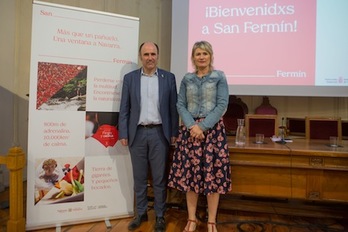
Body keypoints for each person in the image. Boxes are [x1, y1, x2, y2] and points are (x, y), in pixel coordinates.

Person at [167, 41, 231, 232]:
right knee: (191, 177)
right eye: (198, 54)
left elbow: (222, 104)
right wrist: (191, 126)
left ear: (210, 56)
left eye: (205, 53)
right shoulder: (187, 79)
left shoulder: (219, 77)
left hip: (212, 133)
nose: (201, 57)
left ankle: (211, 220)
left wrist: (202, 126)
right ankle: (192, 218)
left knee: (213, 177)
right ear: (193, 58)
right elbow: (180, 104)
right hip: (190, 132)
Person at [118, 42, 179, 232]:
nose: (150, 57)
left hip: (160, 134)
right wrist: (123, 133)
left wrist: (174, 133)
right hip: (137, 134)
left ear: (158, 56)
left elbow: (173, 109)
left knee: (159, 178)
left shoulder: (169, 78)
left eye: (153, 54)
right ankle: (141, 213)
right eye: (146, 54)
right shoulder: (130, 79)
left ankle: (160, 216)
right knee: (139, 178)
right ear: (140, 57)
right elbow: (124, 109)